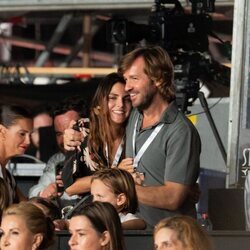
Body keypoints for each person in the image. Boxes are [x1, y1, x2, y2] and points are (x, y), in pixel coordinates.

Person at [117, 46, 201, 227]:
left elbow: (173, 197)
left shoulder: (180, 131)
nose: (127, 87)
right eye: (126, 79)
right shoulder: (134, 115)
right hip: (135, 233)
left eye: (134, 78)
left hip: (170, 238)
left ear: (158, 80)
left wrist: (121, 187)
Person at [62, 72, 132, 196]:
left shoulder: (137, 132)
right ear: (101, 101)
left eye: (126, 99)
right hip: (93, 210)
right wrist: (115, 174)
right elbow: (70, 188)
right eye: (112, 98)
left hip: (128, 209)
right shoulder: (82, 130)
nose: (120, 104)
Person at [29, 96, 89, 208]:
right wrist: (44, 192)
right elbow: (34, 191)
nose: (63, 139)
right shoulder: (58, 160)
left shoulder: (100, 155)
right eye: (58, 134)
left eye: (69, 130)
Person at [0, 104, 33, 204]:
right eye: (22, 134)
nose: (28, 141)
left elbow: (26, 208)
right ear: (2, 131)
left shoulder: (8, 177)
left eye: (30, 135)